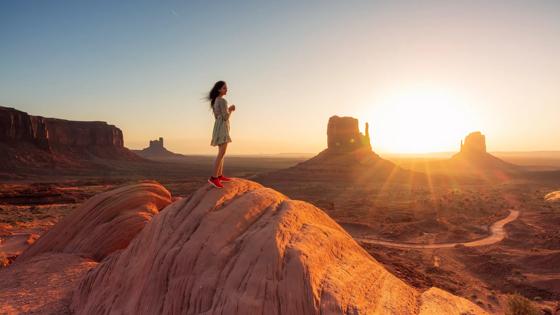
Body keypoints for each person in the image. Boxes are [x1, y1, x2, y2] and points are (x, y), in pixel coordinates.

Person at [207, 80, 236, 188]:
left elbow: (217, 116)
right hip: (223, 128)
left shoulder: (215, 101)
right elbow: (225, 117)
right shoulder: (222, 101)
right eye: (224, 88)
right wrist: (231, 109)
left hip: (217, 127)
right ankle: (214, 177)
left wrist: (227, 110)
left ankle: (219, 175)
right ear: (219, 90)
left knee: (221, 152)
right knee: (221, 153)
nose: (226, 89)